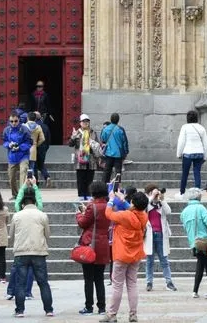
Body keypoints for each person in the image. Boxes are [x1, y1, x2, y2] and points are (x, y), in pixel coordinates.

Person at [102, 191, 149, 323]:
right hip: (136, 254)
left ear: (134, 203)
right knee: (132, 284)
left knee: (117, 285)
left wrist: (111, 200)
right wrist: (124, 201)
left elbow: (108, 214)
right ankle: (133, 314)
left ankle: (112, 314)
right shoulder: (144, 216)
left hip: (122, 254)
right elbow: (134, 211)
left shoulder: (124, 216)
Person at [12, 187, 55, 317]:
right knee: (43, 282)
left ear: (23, 203)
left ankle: (20, 310)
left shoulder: (17, 216)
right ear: (35, 202)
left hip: (21, 252)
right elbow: (48, 235)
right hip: (39, 251)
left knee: (20, 283)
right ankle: (49, 309)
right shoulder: (42, 215)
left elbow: (11, 234)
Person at [77, 181, 112, 315]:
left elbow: (83, 223)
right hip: (103, 244)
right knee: (99, 278)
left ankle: (89, 306)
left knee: (88, 278)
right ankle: (102, 307)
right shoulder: (108, 206)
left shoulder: (93, 207)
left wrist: (79, 214)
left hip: (90, 245)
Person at [179, 188, 207, 299]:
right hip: (204, 241)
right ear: (198, 197)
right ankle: (198, 290)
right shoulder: (201, 208)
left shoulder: (184, 211)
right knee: (203, 265)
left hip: (193, 242)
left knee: (205, 264)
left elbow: (184, 226)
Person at [143, 185, 176, 292]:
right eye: (153, 193)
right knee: (149, 261)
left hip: (161, 234)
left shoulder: (161, 204)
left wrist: (162, 200)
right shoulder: (146, 204)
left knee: (164, 260)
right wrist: (151, 197)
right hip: (149, 235)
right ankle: (149, 282)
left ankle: (169, 282)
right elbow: (143, 208)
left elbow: (168, 211)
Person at [176, 110, 207, 195]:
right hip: (199, 153)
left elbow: (181, 141)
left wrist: (179, 153)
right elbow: (205, 143)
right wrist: (205, 156)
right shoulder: (201, 128)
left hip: (188, 153)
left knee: (185, 173)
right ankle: (197, 192)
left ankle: (182, 192)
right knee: (197, 172)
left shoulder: (185, 127)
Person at [3, 112, 33, 199]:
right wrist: (8, 145)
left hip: (23, 155)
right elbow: (4, 141)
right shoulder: (6, 130)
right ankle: (15, 194)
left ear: (19, 120)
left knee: (23, 173)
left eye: (15, 121)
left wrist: (20, 147)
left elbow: (29, 142)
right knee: (11, 177)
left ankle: (22, 194)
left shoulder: (25, 129)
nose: (13, 123)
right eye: (11, 121)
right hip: (12, 156)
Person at [70, 114, 101, 201]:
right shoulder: (77, 132)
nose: (85, 123)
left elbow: (97, 145)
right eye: (83, 121)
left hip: (91, 159)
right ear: (80, 123)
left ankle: (88, 195)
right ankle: (81, 195)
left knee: (89, 178)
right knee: (80, 178)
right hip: (80, 159)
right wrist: (73, 137)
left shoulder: (93, 132)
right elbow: (70, 144)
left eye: (87, 121)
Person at [100, 113, 129, 184]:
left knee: (107, 171)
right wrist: (126, 152)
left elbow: (102, 139)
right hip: (118, 154)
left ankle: (104, 186)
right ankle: (116, 187)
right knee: (118, 171)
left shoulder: (105, 129)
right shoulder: (120, 129)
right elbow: (124, 141)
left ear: (111, 119)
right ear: (118, 120)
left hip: (108, 153)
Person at [34, 112, 52, 186]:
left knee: (34, 165)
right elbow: (48, 139)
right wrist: (45, 148)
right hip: (43, 149)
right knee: (41, 165)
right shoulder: (45, 126)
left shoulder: (33, 126)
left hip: (34, 148)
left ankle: (36, 182)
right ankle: (47, 176)